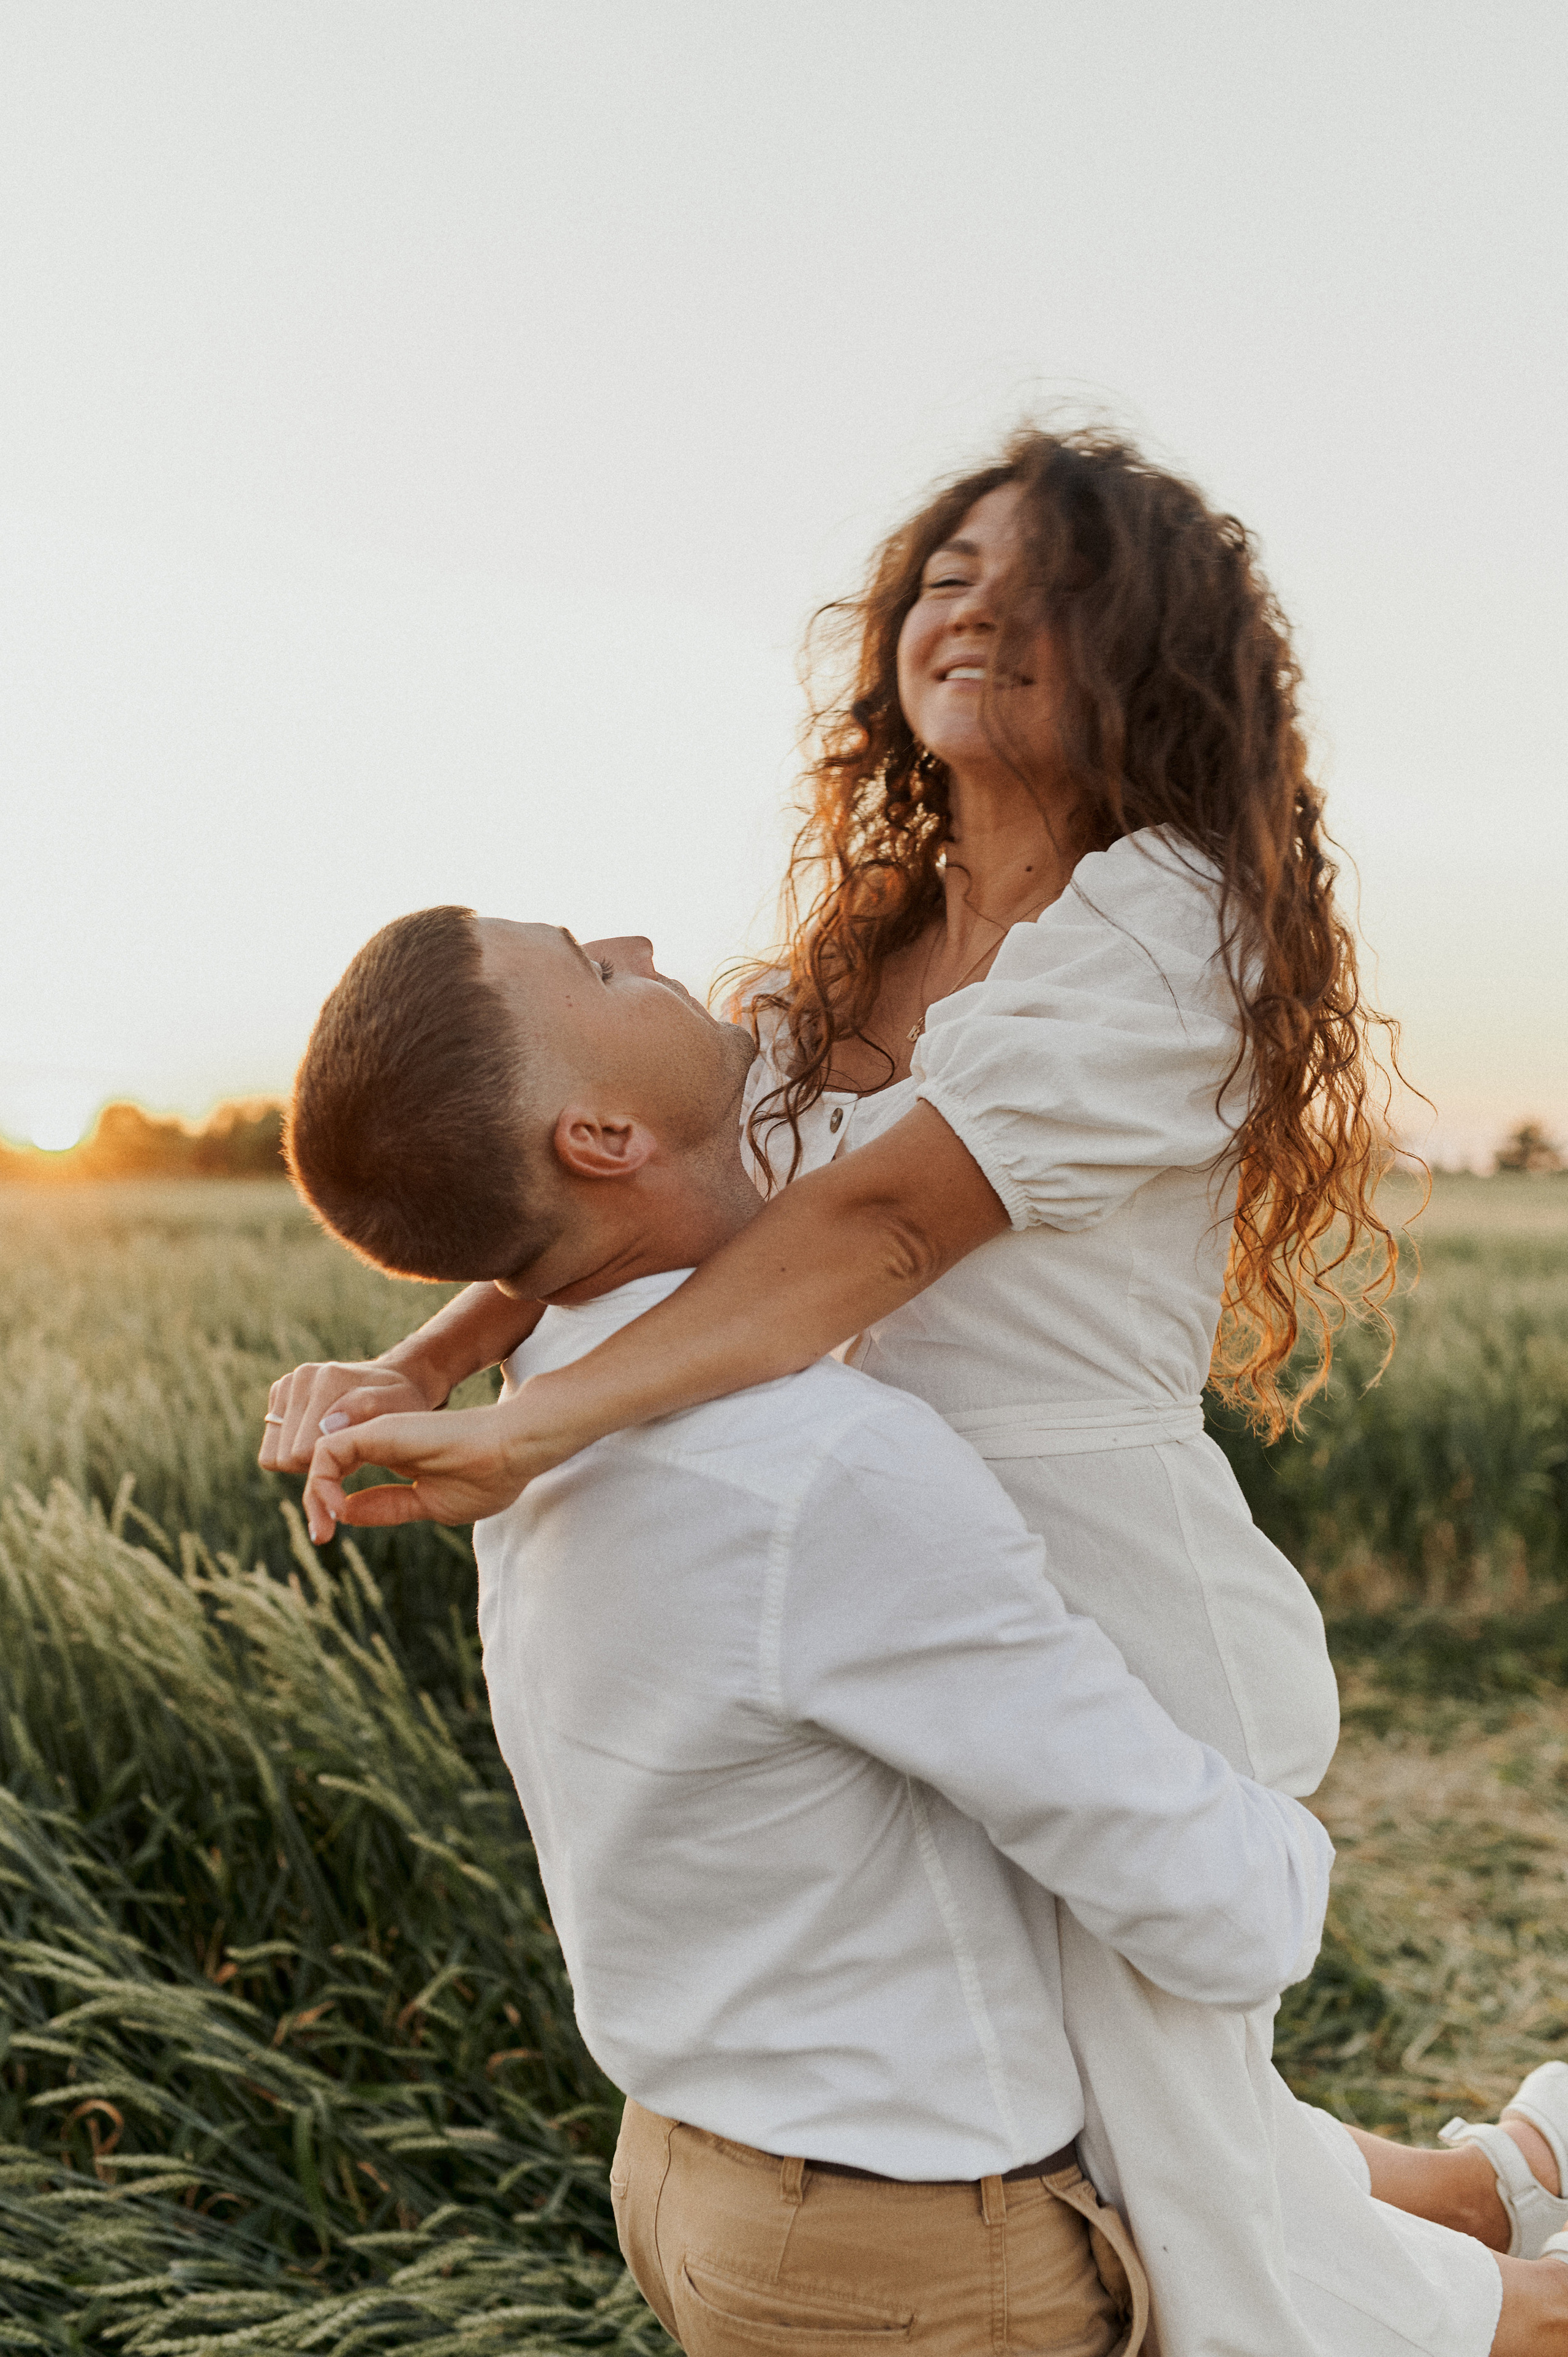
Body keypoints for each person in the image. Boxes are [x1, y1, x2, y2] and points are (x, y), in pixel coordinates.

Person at [266, 430, 1568, 2356]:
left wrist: (531, 1426)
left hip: (1097, 1597)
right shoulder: (855, 947)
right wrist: (431, 1353)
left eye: (1044, 585)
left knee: (1189, 2195)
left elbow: (873, 1228)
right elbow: (638, 1182)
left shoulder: (1165, 928)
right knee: (1139, 2136)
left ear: (1150, 648)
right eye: (948, 573)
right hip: (888, 1597)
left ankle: (1509, 2295)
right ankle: (1504, 2193)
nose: (975, 608)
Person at [282, 899, 1350, 2356]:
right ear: (602, 1138)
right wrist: (1277, 1801)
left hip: (687, 2181)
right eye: (592, 968)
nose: (638, 944)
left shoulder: (534, 1413)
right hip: (906, 2254)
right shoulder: (822, 1467)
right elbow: (1224, 1918)